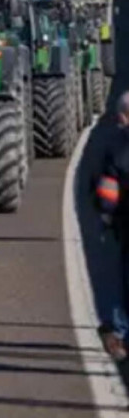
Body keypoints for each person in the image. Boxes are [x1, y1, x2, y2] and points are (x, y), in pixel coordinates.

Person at [95, 90, 129, 362]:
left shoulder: (117, 147)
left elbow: (108, 190)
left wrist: (106, 217)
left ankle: (117, 333)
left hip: (125, 224)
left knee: (118, 279)